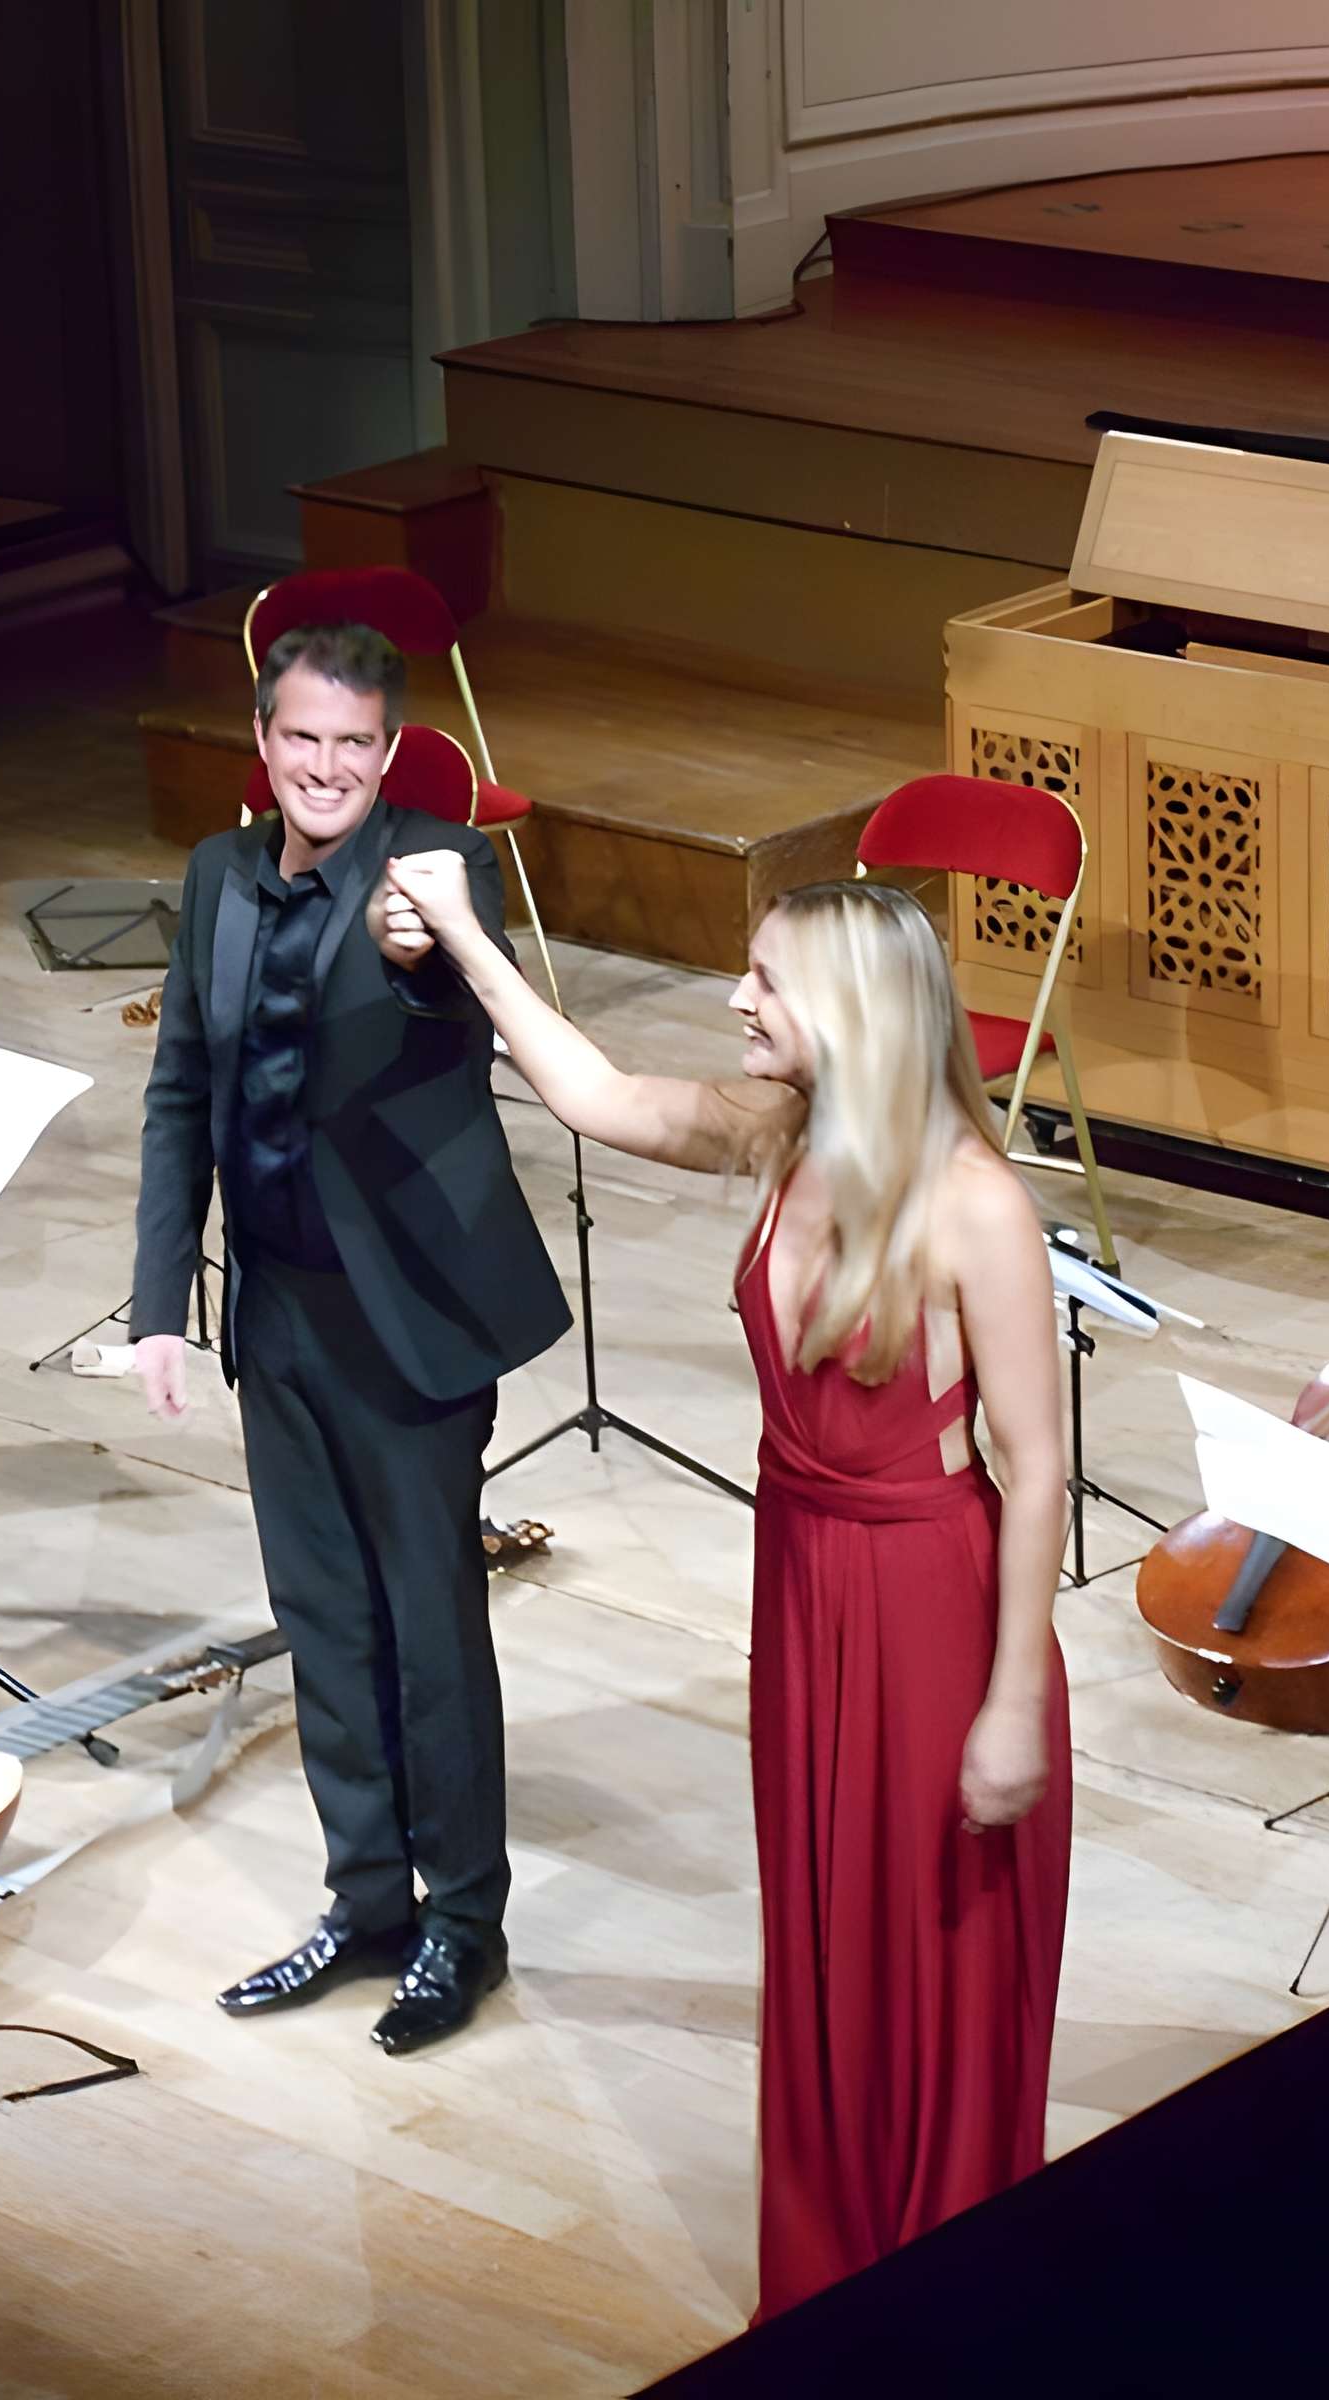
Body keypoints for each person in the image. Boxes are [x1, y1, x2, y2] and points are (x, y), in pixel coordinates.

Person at [382, 851, 1073, 2313]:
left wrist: (1012, 1704)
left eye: (766, 980)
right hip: (806, 1591)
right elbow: (592, 1092)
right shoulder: (783, 1132)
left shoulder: (976, 1206)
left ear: (854, 1012)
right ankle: (826, 2289)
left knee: (932, 1991)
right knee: (824, 1958)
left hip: (927, 1615)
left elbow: (1036, 1468)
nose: (733, 997)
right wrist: (461, 932)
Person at [132, 622, 570, 2057]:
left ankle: (465, 1925)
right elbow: (180, 1089)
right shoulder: (215, 875)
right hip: (282, 1316)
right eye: (302, 740)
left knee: (430, 1627)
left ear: (388, 756)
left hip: (410, 1319)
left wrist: (429, 950)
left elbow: (458, 999)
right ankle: (367, 1899)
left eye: (354, 746)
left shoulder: (436, 866)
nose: (327, 768)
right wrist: (159, 1303)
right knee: (324, 1622)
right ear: (262, 743)